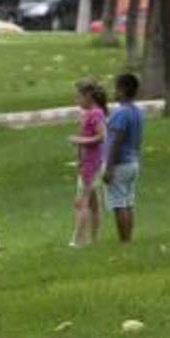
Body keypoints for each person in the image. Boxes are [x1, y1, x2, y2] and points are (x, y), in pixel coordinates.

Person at [104, 73, 144, 243]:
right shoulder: (137, 111)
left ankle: (124, 240)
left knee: (119, 204)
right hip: (133, 161)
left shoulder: (120, 113)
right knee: (127, 202)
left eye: (116, 88)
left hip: (120, 163)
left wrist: (109, 167)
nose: (114, 92)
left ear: (123, 90)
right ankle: (128, 238)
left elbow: (116, 140)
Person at [69, 81, 108, 246]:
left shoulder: (95, 114)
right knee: (92, 202)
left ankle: (77, 240)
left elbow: (101, 136)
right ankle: (93, 239)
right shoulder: (88, 114)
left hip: (92, 164)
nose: (76, 100)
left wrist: (79, 140)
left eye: (78, 96)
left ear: (88, 97)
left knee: (80, 202)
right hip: (87, 162)